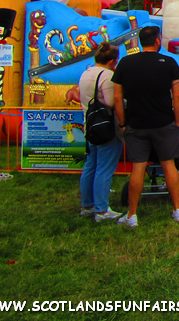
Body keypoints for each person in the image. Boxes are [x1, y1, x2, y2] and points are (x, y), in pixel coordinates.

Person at [113, 26, 179, 227]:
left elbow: (117, 97)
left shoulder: (125, 63)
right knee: (168, 164)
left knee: (138, 167)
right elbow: (178, 95)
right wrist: (177, 121)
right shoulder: (169, 62)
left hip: (136, 123)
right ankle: (177, 208)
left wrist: (123, 122)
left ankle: (132, 214)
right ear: (157, 41)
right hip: (164, 122)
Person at [78, 43, 123, 222]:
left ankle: (87, 205)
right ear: (112, 61)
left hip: (90, 125)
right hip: (107, 127)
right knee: (105, 168)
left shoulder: (86, 73)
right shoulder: (107, 75)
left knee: (91, 165)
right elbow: (112, 102)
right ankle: (102, 209)